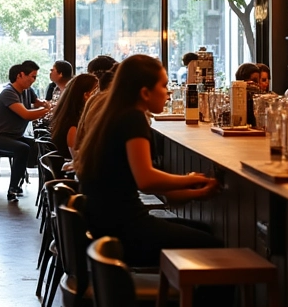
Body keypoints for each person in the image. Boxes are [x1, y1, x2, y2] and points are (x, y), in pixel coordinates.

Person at [76, 55, 220, 267]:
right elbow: (146, 180)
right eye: (163, 86)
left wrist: (192, 192)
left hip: (104, 223)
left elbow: (137, 180)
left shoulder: (114, 115)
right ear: (145, 93)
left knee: (204, 233)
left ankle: (180, 299)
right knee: (213, 248)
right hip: (123, 229)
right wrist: (189, 180)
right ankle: (188, 301)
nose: (168, 93)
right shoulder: (133, 118)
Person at [0, 60, 50, 201]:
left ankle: (44, 186)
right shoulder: (8, 93)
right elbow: (26, 114)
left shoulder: (27, 91)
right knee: (23, 148)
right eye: (32, 76)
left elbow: (38, 102)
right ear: (20, 75)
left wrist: (45, 104)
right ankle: (13, 188)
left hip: (14, 136)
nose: (33, 80)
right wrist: (47, 110)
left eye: (35, 77)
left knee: (38, 145)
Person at [50, 73, 98, 158]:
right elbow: (79, 159)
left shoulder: (66, 116)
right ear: (86, 95)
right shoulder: (73, 125)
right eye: (96, 92)